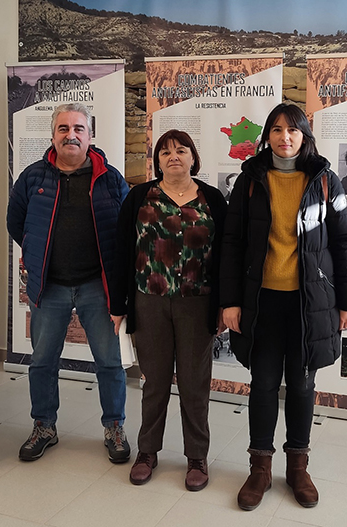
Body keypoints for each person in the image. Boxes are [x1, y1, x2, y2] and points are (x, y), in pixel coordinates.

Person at [220, 103, 347, 510]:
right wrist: (229, 302)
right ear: (267, 136)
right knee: (262, 384)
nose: (285, 137)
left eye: (292, 130)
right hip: (261, 302)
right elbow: (231, 245)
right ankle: (259, 468)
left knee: (301, 384)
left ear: (304, 136)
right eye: (277, 130)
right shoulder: (249, 181)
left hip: (308, 303)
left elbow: (344, 244)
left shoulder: (325, 181)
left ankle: (297, 467)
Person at [6, 102, 131, 463]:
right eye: (63, 129)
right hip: (50, 286)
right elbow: (16, 224)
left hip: (98, 286)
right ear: (53, 135)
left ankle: (114, 427)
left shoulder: (111, 178)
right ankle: (44, 425)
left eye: (78, 128)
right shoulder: (32, 177)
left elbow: (125, 231)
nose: (71, 135)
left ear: (90, 136)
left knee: (108, 362)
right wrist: (34, 252)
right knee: (43, 361)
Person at [110, 129, 227, 491]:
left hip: (198, 303)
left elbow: (228, 257)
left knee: (195, 385)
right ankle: (147, 452)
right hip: (150, 301)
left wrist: (224, 306)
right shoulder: (139, 197)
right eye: (164, 152)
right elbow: (121, 252)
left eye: (180, 150)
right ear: (156, 160)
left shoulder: (213, 200)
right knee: (155, 383)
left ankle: (197, 457)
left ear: (193, 157)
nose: (172, 156)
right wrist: (117, 305)